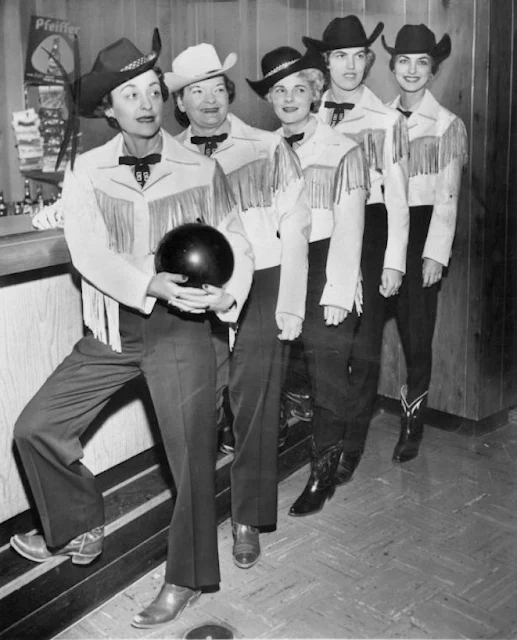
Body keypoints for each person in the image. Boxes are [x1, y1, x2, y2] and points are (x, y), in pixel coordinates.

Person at [10, 31, 253, 629]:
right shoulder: (87, 171)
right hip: (115, 325)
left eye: (152, 91)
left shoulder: (200, 166)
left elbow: (237, 239)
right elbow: (88, 252)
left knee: (191, 458)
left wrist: (228, 294)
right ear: (108, 108)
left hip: (182, 328)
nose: (145, 104)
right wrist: (148, 284)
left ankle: (186, 578)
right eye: (130, 94)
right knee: (36, 427)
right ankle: (78, 525)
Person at [166, 43, 311, 568]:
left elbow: (297, 226)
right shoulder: (167, 156)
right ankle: (196, 511)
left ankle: (248, 516)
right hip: (193, 292)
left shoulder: (268, 146)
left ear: (229, 93)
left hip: (264, 281)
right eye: (195, 91)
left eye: (216, 88)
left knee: (256, 402)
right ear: (179, 102)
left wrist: (290, 303)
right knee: (199, 402)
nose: (209, 100)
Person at [248, 46, 369, 516]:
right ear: (269, 99)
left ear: (317, 92)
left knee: (327, 373)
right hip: (276, 265)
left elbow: (351, 228)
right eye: (279, 90)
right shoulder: (261, 149)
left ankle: (322, 474)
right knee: (271, 368)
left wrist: (338, 291)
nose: (289, 98)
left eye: (299, 88)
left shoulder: (343, 150)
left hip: (326, 266)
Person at [298, 15, 410, 493]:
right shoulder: (307, 109)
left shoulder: (386, 120)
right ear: (326, 62)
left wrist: (394, 261)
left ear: (368, 61)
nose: (349, 65)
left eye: (358, 56)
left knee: (363, 346)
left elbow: (400, 197)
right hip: (321, 232)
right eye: (339, 56)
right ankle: (327, 435)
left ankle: (352, 441)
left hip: (373, 232)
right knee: (326, 343)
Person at [382, 24, 468, 462]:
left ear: (433, 71)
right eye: (404, 61)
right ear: (393, 66)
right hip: (380, 229)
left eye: (422, 63)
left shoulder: (447, 124)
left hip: (422, 232)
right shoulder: (379, 118)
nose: (412, 70)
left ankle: (412, 421)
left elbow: (448, 197)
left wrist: (435, 253)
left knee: (417, 335)